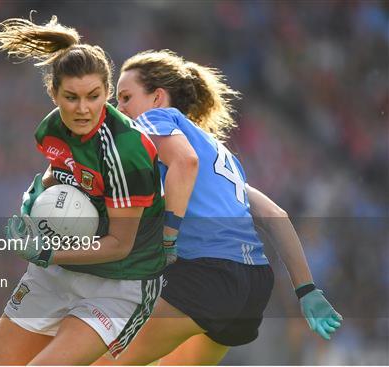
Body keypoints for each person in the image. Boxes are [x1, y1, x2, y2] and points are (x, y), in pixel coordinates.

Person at [94, 50, 343, 365]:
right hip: (253, 285)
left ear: (158, 98)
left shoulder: (153, 120)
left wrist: (167, 238)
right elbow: (274, 215)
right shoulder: (221, 153)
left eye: (126, 97)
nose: (119, 109)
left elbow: (184, 163)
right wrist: (306, 290)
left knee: (101, 360)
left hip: (208, 275)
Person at [0, 16, 167, 365]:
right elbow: (57, 171)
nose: (83, 108)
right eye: (71, 97)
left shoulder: (127, 152)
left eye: (93, 97)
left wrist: (48, 252)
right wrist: (32, 201)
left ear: (107, 92)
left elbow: (119, 244)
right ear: (54, 93)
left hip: (119, 284)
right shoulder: (50, 129)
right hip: (58, 274)